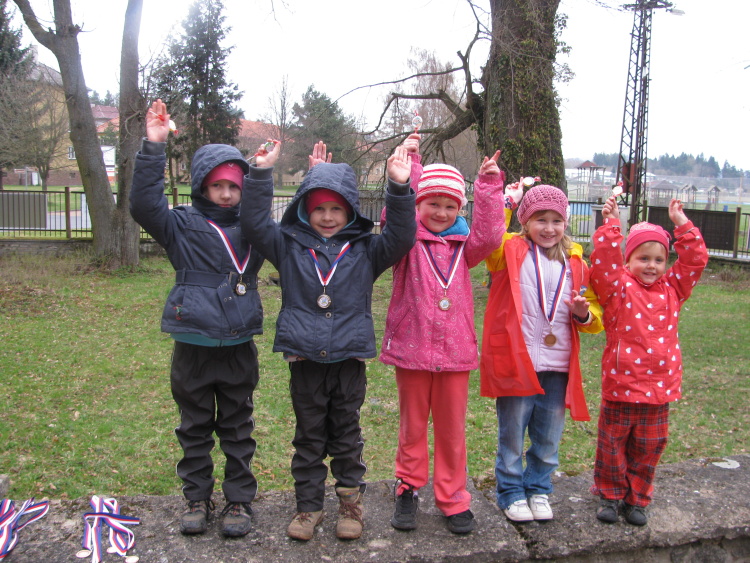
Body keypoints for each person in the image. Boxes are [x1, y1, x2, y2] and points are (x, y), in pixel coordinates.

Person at [240, 140, 417, 541]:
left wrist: (399, 187)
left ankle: (351, 503)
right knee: (308, 437)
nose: (327, 216)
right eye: (319, 208)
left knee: (346, 435)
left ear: (351, 211)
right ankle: (309, 506)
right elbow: (253, 224)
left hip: (348, 360)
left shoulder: (367, 250)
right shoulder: (288, 245)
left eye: (337, 208)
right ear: (305, 210)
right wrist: (261, 174)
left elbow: (402, 236)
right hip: (305, 360)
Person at [129, 99, 263, 538]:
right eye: (217, 185)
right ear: (202, 186)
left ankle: (239, 499)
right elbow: (144, 206)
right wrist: (154, 147)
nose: (226, 194)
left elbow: (295, 229)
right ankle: (197, 497)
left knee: (238, 428)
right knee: (194, 427)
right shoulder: (180, 226)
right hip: (193, 346)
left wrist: (277, 176)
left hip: (238, 346)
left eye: (234, 186)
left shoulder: (254, 229)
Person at [380, 135, 508, 534]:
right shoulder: (405, 242)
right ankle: (407, 486)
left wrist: (489, 186)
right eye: (432, 203)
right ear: (418, 205)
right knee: (412, 425)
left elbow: (491, 236)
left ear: (460, 209)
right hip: (412, 348)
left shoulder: (466, 247)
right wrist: (410, 171)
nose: (441, 212)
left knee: (452, 431)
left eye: (450, 205)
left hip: (455, 351)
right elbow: (394, 219)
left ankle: (453, 496)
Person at [479, 182, 604, 523]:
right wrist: (506, 201)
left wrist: (583, 314)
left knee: (548, 438)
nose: (549, 228)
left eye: (556, 220)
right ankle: (510, 492)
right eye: (540, 220)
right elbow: (488, 237)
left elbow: (594, 312)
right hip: (517, 361)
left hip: (557, 365)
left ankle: (539, 489)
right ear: (525, 221)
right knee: (512, 435)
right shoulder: (509, 249)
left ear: (565, 223)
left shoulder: (576, 262)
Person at [589, 196, 708, 526]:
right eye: (643, 258)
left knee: (649, 448)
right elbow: (603, 262)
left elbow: (695, 261)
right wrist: (612, 225)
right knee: (612, 446)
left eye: (659, 259)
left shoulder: (673, 289)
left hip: (659, 391)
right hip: (621, 386)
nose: (652, 266)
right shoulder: (618, 289)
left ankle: (637, 499)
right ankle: (610, 495)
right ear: (628, 260)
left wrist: (682, 225)